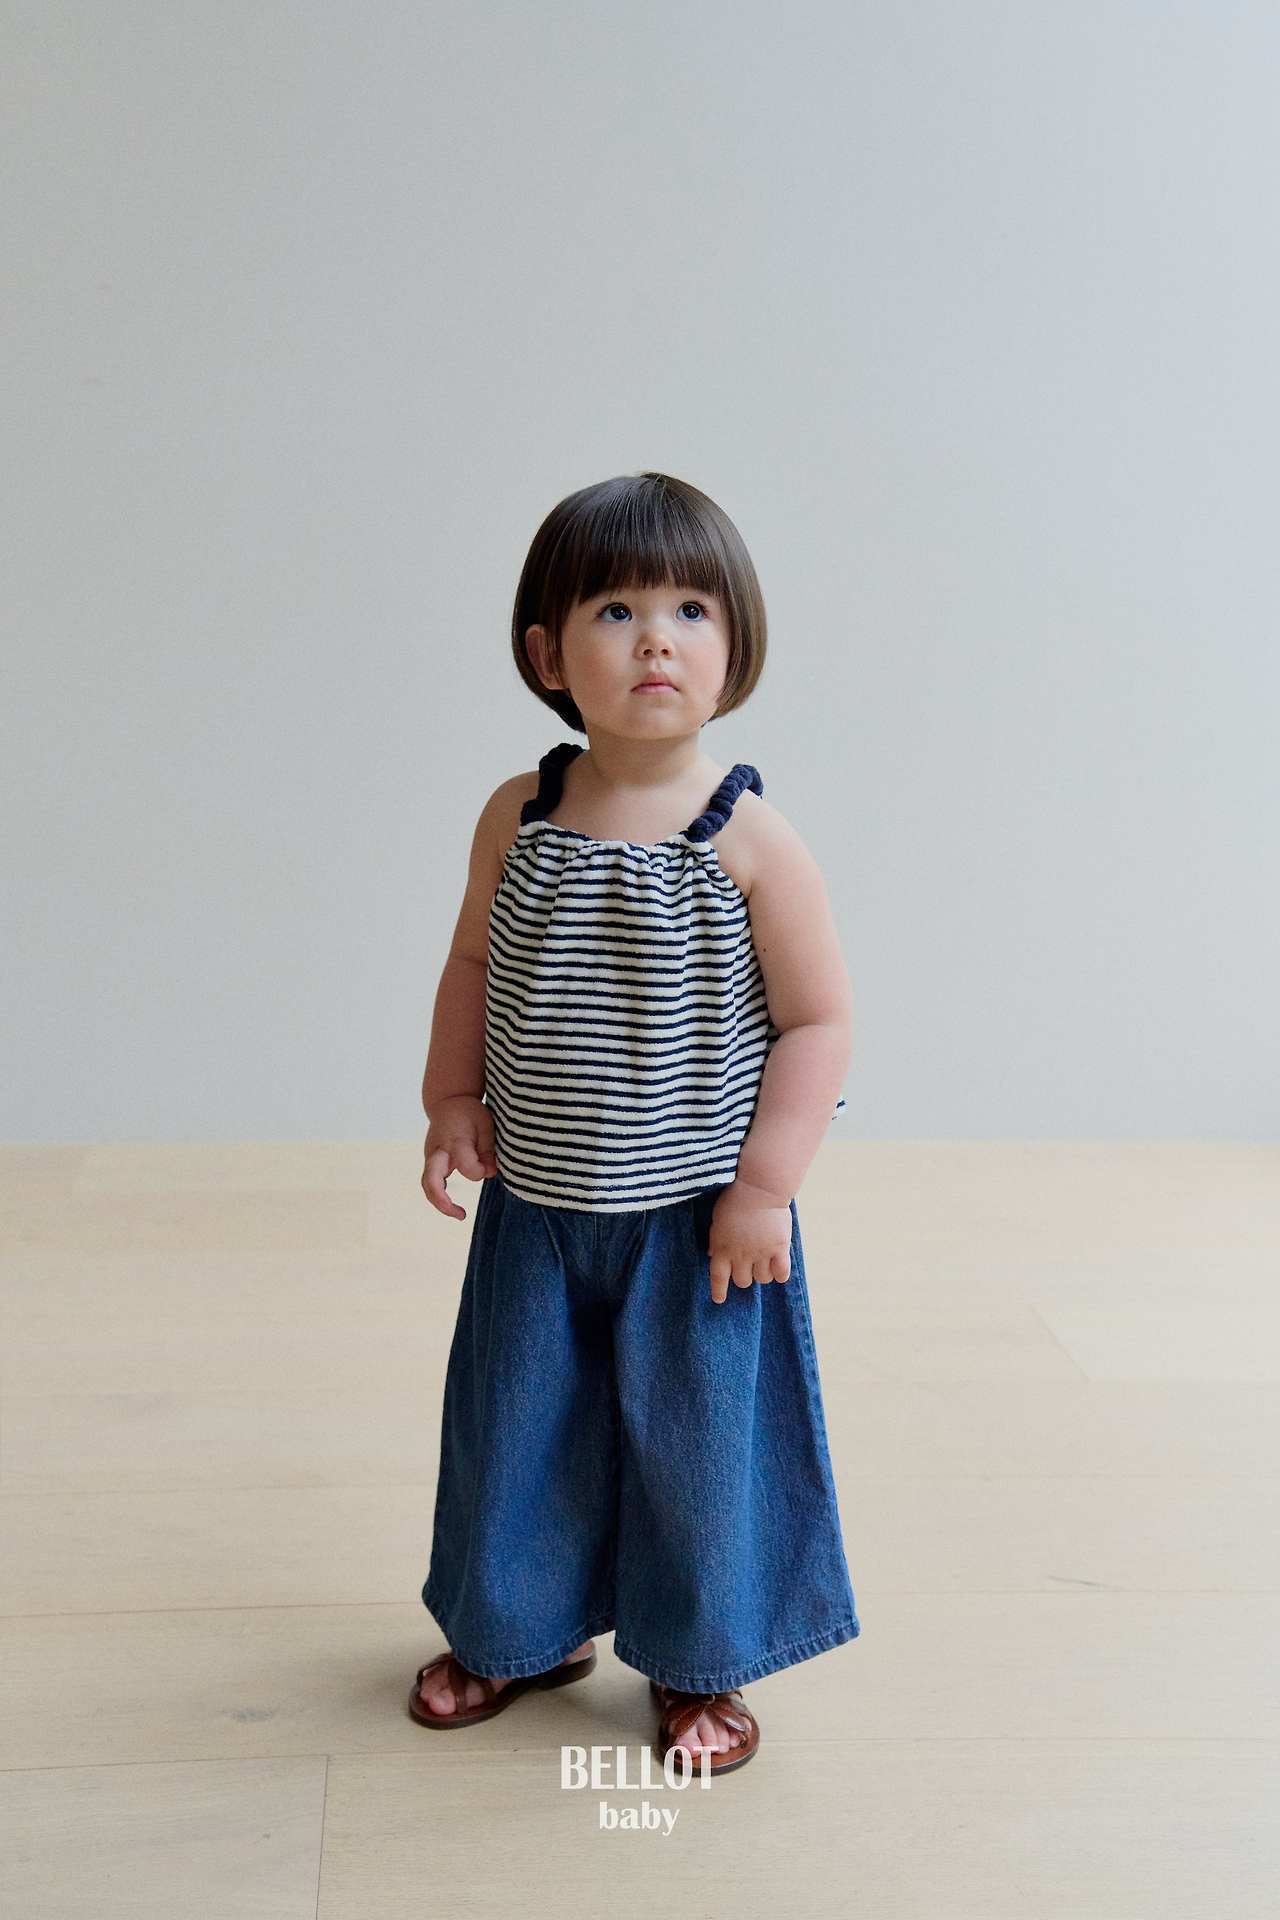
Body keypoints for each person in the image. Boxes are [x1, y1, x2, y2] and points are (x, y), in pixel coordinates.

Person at [408, 470, 860, 1776]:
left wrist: (765, 1187)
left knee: (701, 1453)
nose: (656, 638)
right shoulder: (520, 813)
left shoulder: (750, 841)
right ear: (549, 655)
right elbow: (474, 963)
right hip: (539, 1209)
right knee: (515, 1430)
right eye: (615, 610)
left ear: (736, 645)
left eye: (689, 610)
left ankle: (699, 1659)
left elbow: (819, 1022)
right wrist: (452, 1096)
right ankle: (517, 1628)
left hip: (696, 1223)